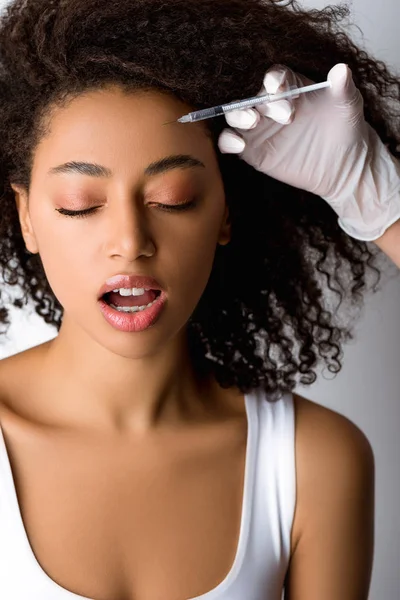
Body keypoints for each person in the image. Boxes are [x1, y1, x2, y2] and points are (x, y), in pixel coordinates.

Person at [2, 0, 398, 597]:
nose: (131, 243)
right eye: (80, 204)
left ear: (224, 213)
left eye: (174, 197)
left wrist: (380, 203)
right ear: (26, 217)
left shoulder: (313, 462)